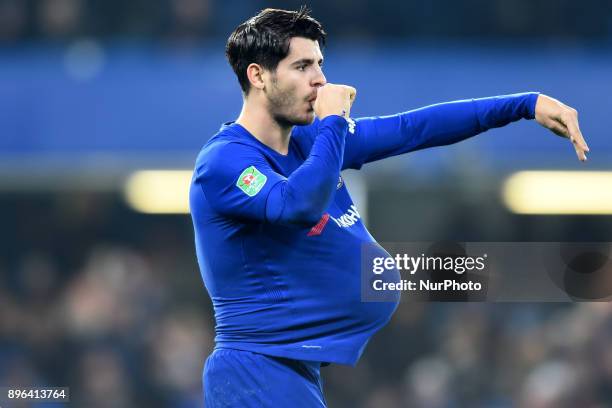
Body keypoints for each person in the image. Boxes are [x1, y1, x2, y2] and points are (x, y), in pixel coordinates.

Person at [189, 7, 589, 408]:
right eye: (302, 66)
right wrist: (332, 123)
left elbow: (412, 129)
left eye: (320, 65)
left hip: (292, 368)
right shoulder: (225, 161)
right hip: (253, 370)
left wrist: (524, 104)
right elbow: (298, 205)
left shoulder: (311, 143)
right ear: (258, 76)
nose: (321, 80)